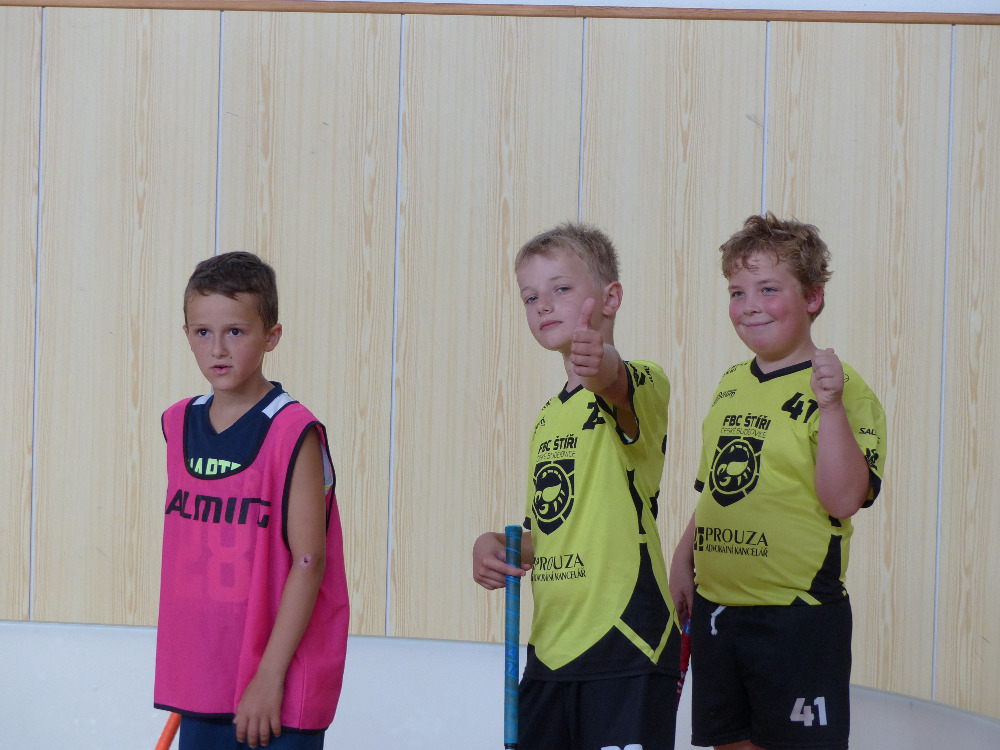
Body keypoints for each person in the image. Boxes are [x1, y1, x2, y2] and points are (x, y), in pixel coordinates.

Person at [669, 214, 887, 750]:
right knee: (729, 742)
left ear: (812, 297)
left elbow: (843, 499)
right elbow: (718, 489)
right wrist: (682, 558)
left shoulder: (845, 391)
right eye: (737, 292)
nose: (750, 306)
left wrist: (830, 406)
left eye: (768, 289)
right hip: (718, 611)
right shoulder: (730, 383)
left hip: (796, 618)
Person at [472, 222, 682, 750]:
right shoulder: (548, 418)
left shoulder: (643, 381)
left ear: (610, 299)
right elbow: (552, 531)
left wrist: (601, 360)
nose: (543, 304)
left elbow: (613, 379)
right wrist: (496, 546)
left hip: (626, 645)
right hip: (551, 653)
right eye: (530, 297)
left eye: (561, 288)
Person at [154, 252, 350, 750]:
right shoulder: (177, 422)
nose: (218, 348)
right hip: (204, 678)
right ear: (186, 335)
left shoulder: (294, 430)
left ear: (271, 336)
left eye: (236, 332)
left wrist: (267, 677)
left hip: (275, 681)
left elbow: (309, 560)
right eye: (203, 332)